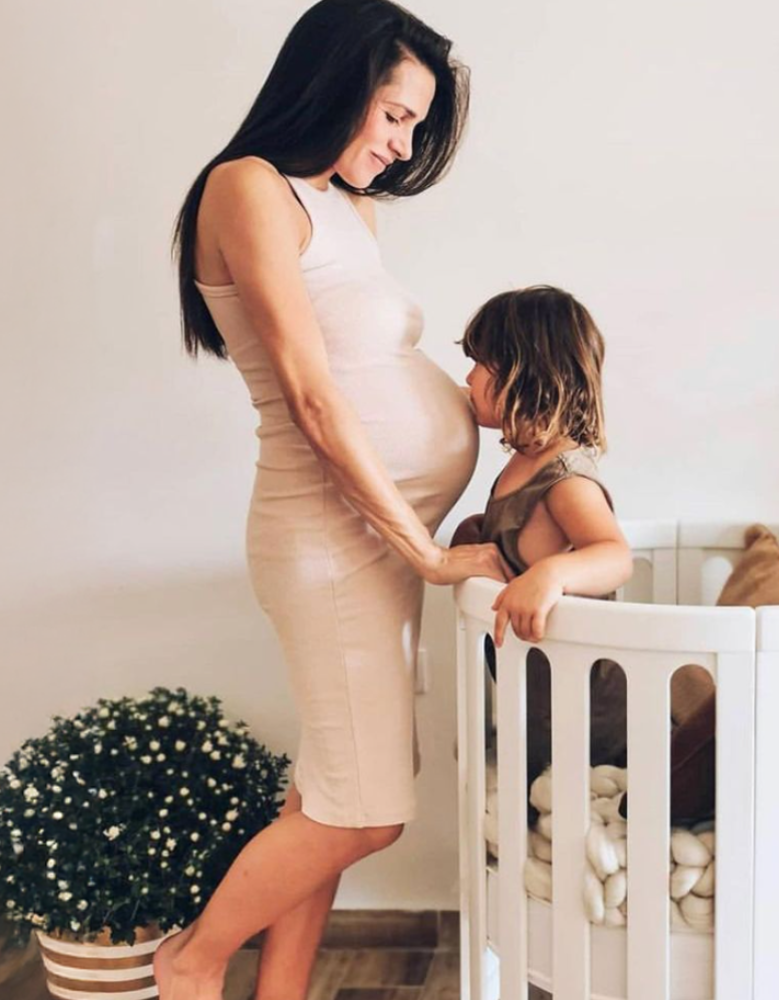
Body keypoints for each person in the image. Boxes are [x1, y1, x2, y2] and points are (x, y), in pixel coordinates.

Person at [157, 3, 508, 998]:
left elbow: (371, 371)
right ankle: (189, 964)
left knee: (328, 793)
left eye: (414, 128)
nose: (401, 149)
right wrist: (432, 554)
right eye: (395, 116)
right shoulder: (247, 189)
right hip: (329, 541)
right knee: (367, 811)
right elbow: (315, 398)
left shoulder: (344, 208)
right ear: (335, 83)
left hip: (379, 547)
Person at [453, 286, 633, 792]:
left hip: (590, 709)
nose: (467, 378)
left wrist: (552, 573)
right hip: (536, 693)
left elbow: (615, 556)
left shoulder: (564, 479)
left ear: (524, 373)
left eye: (480, 363)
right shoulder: (521, 465)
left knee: (587, 793)